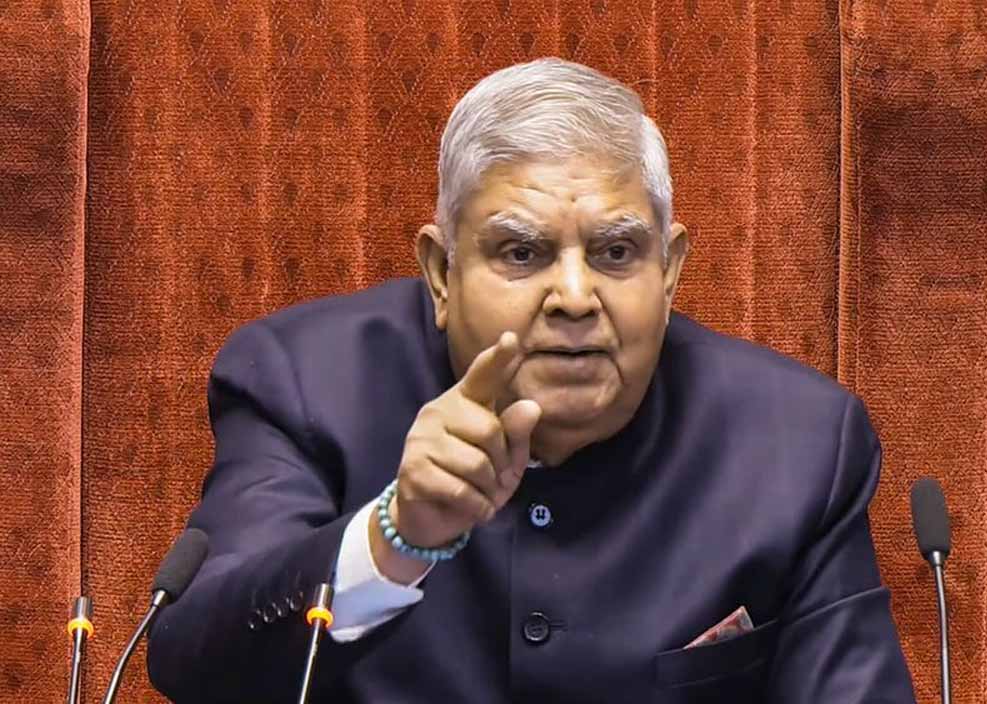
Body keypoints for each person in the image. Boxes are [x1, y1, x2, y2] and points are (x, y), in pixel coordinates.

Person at [147, 58, 916, 702]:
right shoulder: (306, 382)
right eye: (522, 253)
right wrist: (393, 538)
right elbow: (193, 660)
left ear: (670, 271)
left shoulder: (798, 444)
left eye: (616, 253)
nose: (576, 297)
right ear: (441, 273)